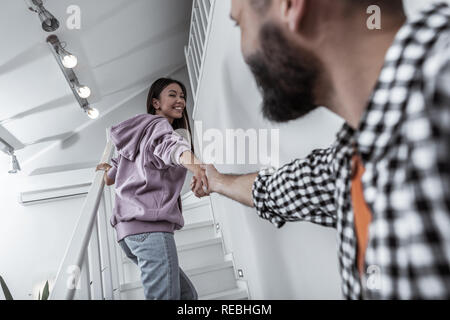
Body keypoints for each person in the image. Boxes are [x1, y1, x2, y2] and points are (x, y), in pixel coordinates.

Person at [193, 0, 450, 299]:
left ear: (290, 6)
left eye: (241, 24)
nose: (245, 50)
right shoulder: (353, 157)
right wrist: (216, 181)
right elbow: (273, 191)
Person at [96, 78, 209, 300]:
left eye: (183, 96)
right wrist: (199, 169)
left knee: (188, 296)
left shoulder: (136, 136)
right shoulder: (159, 126)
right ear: (156, 103)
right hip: (150, 231)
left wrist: (106, 168)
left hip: (128, 234)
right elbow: (172, 147)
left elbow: (111, 178)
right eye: (173, 94)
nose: (180, 100)